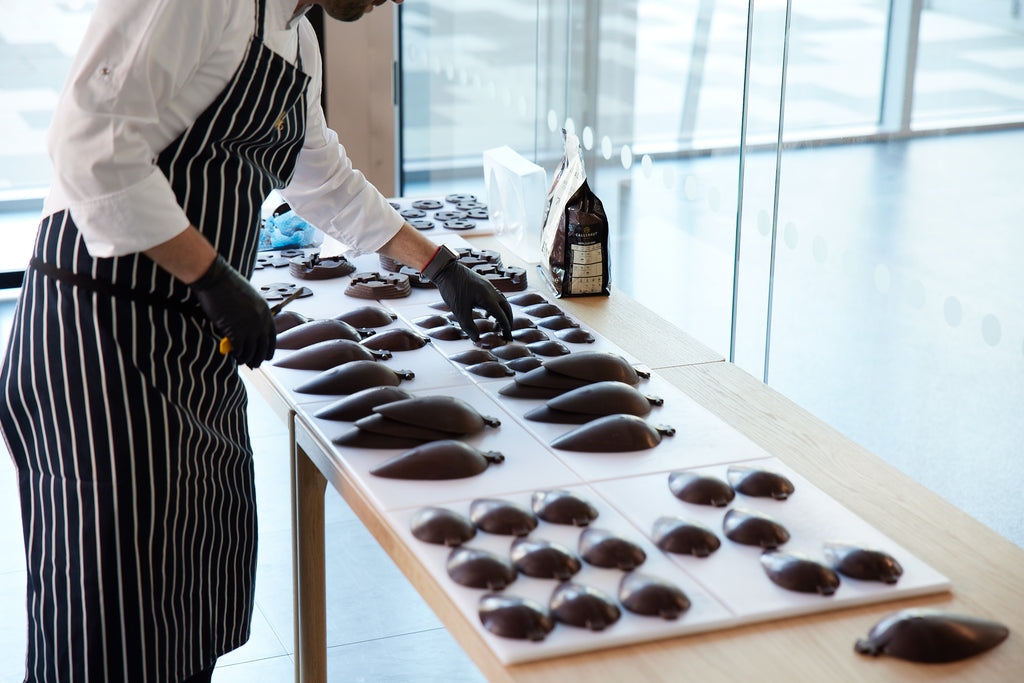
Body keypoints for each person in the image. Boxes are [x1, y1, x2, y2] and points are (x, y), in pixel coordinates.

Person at [0, 1, 513, 681]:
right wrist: (212, 275)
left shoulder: (296, 40)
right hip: (102, 341)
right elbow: (87, 146)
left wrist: (436, 262)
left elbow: (321, 177)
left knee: (183, 612)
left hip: (192, 346)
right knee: (109, 628)